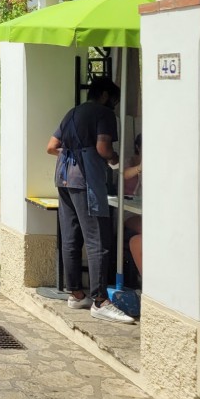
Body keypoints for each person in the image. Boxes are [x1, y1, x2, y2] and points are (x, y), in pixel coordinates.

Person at [47, 77, 134, 324]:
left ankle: (76, 294)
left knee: (71, 238)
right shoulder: (104, 114)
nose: (115, 105)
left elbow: (51, 146)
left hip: (63, 179)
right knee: (98, 241)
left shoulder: (72, 113)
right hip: (86, 181)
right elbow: (103, 148)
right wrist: (114, 158)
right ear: (106, 95)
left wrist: (72, 154)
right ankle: (99, 300)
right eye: (114, 100)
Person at [123, 134, 143, 276]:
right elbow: (124, 174)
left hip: (145, 209)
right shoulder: (129, 161)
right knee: (147, 230)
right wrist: (140, 168)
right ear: (138, 147)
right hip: (128, 210)